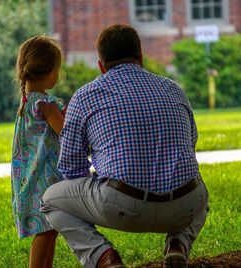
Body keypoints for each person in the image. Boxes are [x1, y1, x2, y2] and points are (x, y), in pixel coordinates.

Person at [41, 24, 209, 268]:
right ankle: (179, 244)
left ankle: (104, 258)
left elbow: (71, 169)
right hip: (184, 205)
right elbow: (190, 143)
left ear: (101, 64)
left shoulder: (85, 96)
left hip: (121, 205)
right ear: (141, 57)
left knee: (50, 199)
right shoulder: (174, 89)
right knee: (199, 187)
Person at [11, 35, 66, 268]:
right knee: (45, 232)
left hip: (29, 182)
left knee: (49, 230)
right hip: (44, 181)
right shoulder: (45, 105)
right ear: (49, 71)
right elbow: (65, 131)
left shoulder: (26, 103)